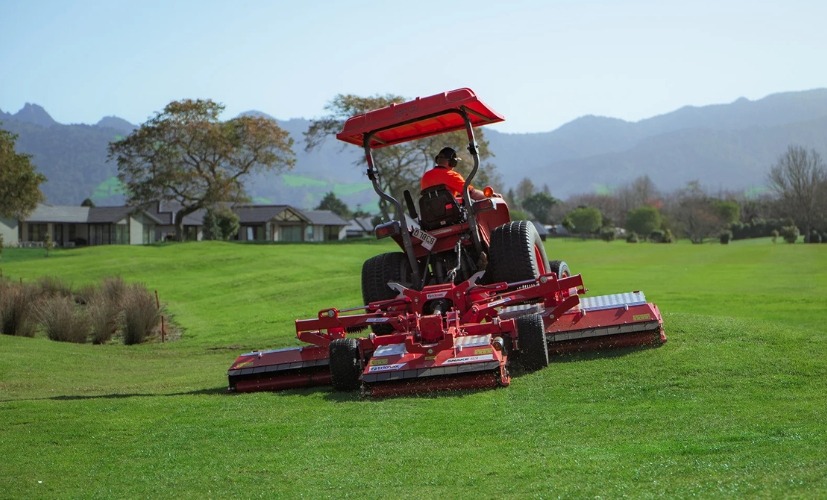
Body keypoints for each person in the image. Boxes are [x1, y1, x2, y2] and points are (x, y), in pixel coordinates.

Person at [421, 147, 488, 201]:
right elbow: (471, 193)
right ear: (452, 162)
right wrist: (489, 196)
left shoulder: (426, 176)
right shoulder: (451, 175)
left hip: (430, 213)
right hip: (450, 213)